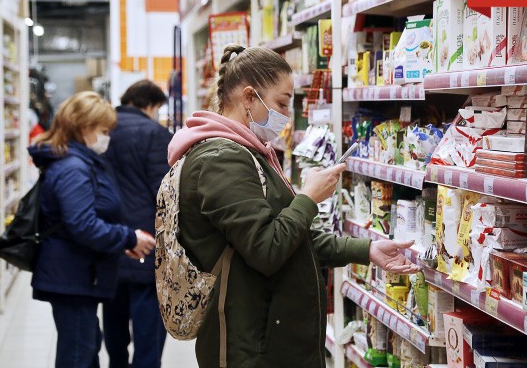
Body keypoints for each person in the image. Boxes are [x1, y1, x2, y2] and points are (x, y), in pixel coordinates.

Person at [166, 44, 420, 368]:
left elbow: (293, 238)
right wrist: (308, 198)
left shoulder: (250, 153)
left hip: (267, 340)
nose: (286, 117)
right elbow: (267, 249)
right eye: (282, 103)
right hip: (250, 349)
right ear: (248, 98)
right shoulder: (222, 161)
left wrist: (366, 249)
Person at [28, 92, 156, 368]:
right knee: (78, 353)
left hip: (77, 273)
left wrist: (123, 241)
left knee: (85, 347)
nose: (106, 137)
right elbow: (82, 225)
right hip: (72, 275)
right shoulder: (73, 167)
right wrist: (128, 237)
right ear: (84, 127)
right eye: (103, 131)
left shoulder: (77, 161)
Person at [102, 80, 173, 368]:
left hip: (110, 239)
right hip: (147, 242)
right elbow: (165, 193)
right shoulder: (156, 134)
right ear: (151, 106)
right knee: (147, 330)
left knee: (114, 321)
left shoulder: (103, 129)